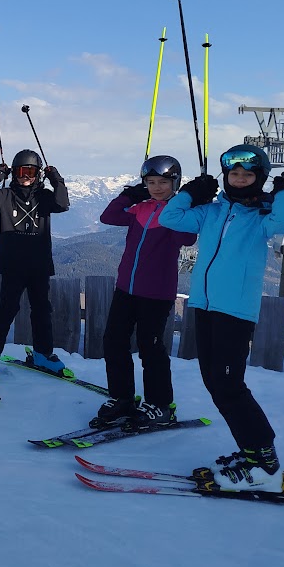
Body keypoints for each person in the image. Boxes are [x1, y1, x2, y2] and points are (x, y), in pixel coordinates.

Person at [158, 144, 284, 491]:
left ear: (258, 178)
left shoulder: (263, 216)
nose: (239, 179)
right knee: (215, 383)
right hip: (205, 306)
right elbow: (169, 218)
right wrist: (192, 192)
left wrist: (283, 192)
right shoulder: (211, 211)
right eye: (234, 173)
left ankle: (265, 461)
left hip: (234, 311)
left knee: (229, 386)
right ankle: (251, 453)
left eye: (247, 174)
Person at [92, 155, 197, 429]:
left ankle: (161, 405)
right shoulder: (141, 208)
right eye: (151, 182)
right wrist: (128, 196)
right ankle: (122, 398)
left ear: (175, 183)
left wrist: (182, 204)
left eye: (163, 182)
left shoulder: (175, 213)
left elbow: (187, 238)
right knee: (114, 341)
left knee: (150, 348)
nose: (157, 187)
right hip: (126, 288)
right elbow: (108, 216)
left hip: (157, 293)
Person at [0, 149, 70, 390]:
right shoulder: (5, 196)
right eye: (20, 171)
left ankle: (43, 353)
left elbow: (63, 203)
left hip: (38, 265)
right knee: (6, 309)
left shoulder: (45, 197)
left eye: (30, 171)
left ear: (38, 174)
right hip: (13, 265)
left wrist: (56, 178)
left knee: (42, 310)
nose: (25, 176)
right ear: (14, 173)